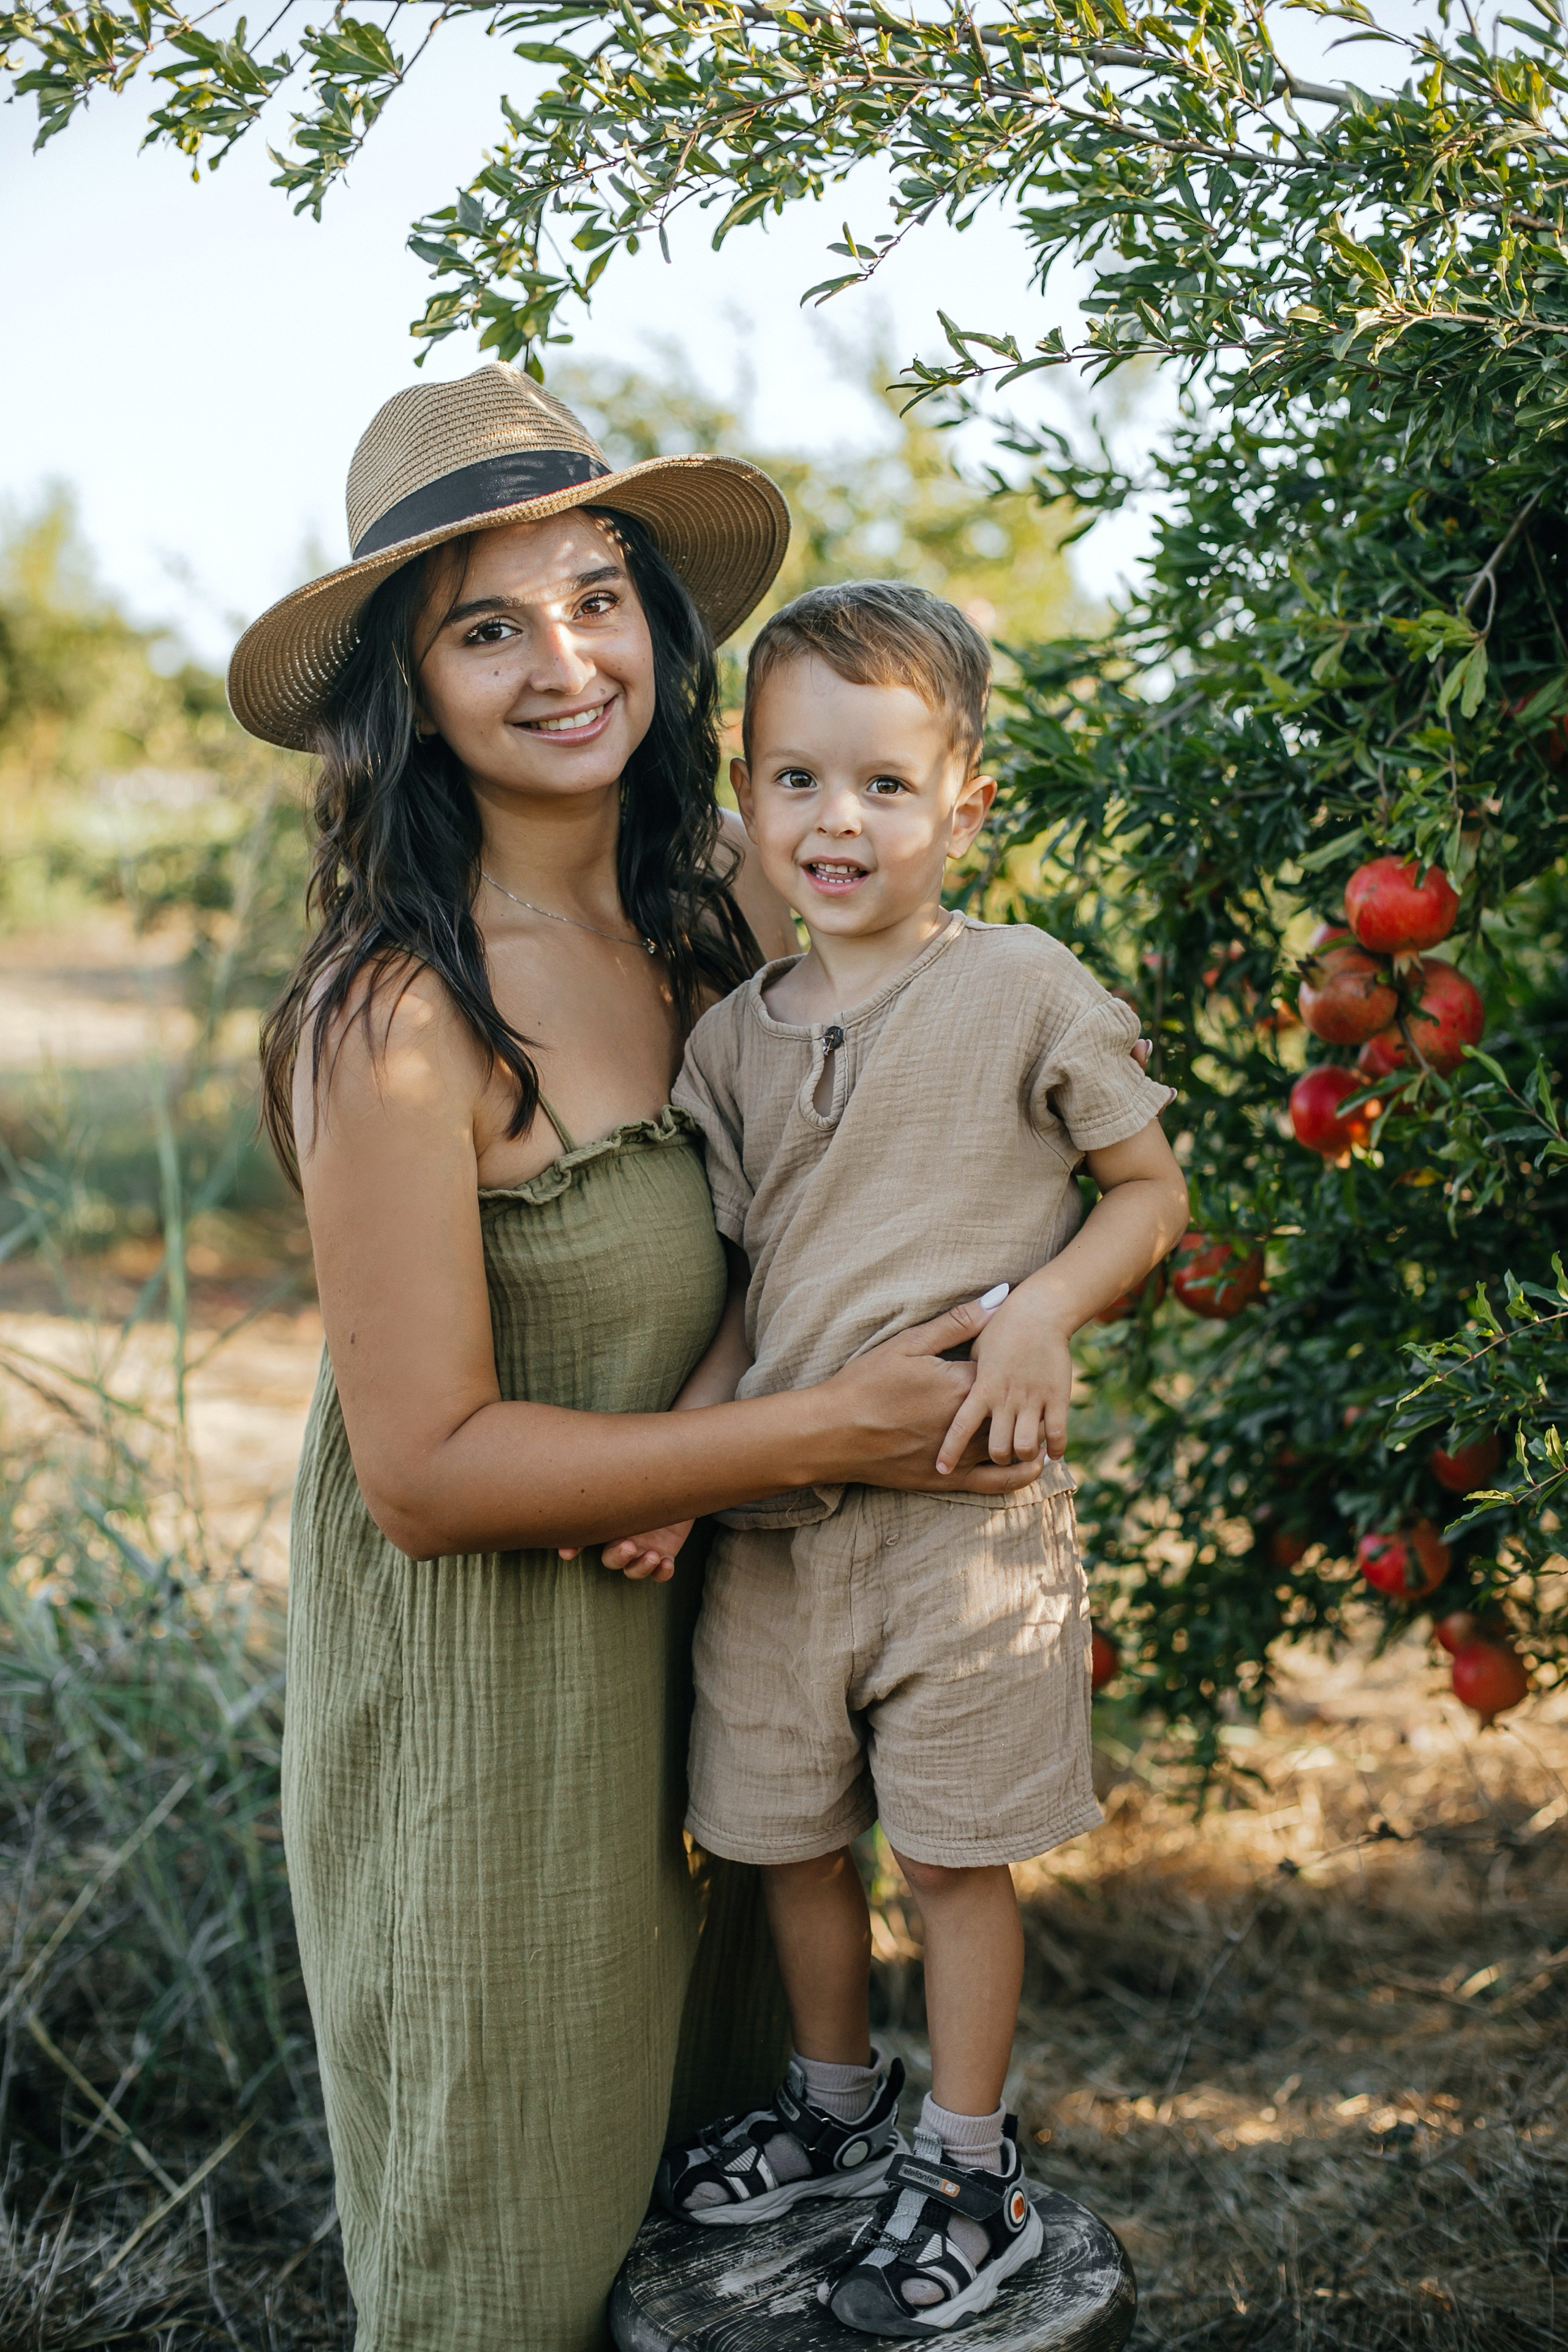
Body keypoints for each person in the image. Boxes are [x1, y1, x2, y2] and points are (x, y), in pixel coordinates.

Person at [230, 366, 1043, 2352]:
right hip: (496, 1733)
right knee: (515, 2272)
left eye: (598, 598)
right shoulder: (396, 1017)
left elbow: (916, 1159)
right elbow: (422, 1476)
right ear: (407, 691)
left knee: (735, 2248)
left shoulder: (722, 934)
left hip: (735, 1690)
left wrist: (1018, 1325)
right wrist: (815, 1429)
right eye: (487, 630)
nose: (566, 661)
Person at [640, 581, 1189, 2335]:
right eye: (797, 780)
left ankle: (969, 2167)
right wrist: (680, 1466)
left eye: (886, 784)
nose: (839, 819)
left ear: (968, 804)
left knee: (951, 1862)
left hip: (967, 1529)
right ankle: (836, 2110)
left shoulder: (1023, 987)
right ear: (745, 797)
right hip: (779, 1536)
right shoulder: (732, 1038)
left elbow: (1150, 1193)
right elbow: (754, 1287)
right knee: (786, 1844)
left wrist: (1043, 1315)